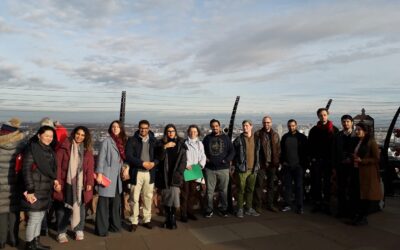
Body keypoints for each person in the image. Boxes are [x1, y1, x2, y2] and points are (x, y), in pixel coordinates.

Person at [21, 126, 61, 250]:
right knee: (34, 218)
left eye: (51, 136)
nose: (49, 138)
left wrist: (55, 180)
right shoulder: (32, 149)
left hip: (45, 189)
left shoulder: (49, 150)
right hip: (35, 189)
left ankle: (36, 243)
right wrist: (30, 190)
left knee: (39, 217)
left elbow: (50, 171)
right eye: (46, 135)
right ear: (39, 135)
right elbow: (26, 170)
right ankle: (29, 245)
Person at [54, 126, 94, 243]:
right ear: (74, 134)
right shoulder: (64, 147)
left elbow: (90, 168)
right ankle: (61, 232)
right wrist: (57, 181)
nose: (79, 137)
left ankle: (79, 229)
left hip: (81, 184)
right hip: (66, 183)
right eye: (78, 134)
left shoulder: (87, 150)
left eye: (82, 135)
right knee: (63, 208)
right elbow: (58, 167)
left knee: (80, 207)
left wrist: (90, 182)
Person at [125, 120, 159, 232]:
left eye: (145, 128)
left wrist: (154, 163)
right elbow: (129, 156)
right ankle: (134, 221)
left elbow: (160, 155)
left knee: (148, 197)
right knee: (134, 198)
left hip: (149, 173)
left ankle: (146, 219)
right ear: (138, 128)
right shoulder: (132, 140)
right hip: (137, 172)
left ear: (149, 128)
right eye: (141, 128)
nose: (143, 130)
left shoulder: (154, 141)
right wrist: (142, 163)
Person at [95, 120, 127, 236]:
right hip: (107, 177)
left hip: (117, 179)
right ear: (110, 129)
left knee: (115, 204)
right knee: (103, 205)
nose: (115, 128)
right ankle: (102, 230)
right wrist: (99, 174)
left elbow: (122, 160)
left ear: (121, 129)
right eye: (113, 126)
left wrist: (125, 168)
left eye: (117, 127)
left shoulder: (122, 142)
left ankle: (115, 225)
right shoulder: (107, 142)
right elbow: (101, 159)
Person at [0, 118, 26, 248]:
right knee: (14, 212)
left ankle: (1, 241)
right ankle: (14, 239)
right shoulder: (21, 145)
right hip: (15, 183)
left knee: (2, 213)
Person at [350, 123, 383, 226]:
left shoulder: (371, 142)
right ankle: (358, 216)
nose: (356, 131)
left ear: (365, 131)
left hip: (367, 173)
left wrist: (362, 160)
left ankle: (362, 218)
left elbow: (377, 158)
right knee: (358, 194)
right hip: (356, 171)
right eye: (356, 129)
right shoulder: (358, 141)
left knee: (364, 195)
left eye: (359, 129)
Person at [202, 119, 235, 218]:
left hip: (223, 169)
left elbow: (232, 151)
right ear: (211, 127)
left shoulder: (226, 138)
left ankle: (223, 209)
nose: (215, 128)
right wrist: (206, 159)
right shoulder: (207, 138)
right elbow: (202, 151)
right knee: (209, 191)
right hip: (210, 169)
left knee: (223, 191)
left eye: (216, 126)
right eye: (213, 126)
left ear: (219, 126)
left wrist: (226, 160)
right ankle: (209, 209)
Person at [308, 108, 338, 214]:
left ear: (328, 115)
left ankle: (326, 204)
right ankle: (317, 203)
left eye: (325, 115)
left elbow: (336, 147)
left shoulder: (334, 129)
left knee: (327, 184)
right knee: (316, 183)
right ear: (318, 116)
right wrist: (312, 159)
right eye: (321, 115)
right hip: (317, 161)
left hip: (329, 161)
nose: (323, 117)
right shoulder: (314, 130)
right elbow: (310, 146)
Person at [157, 124, 187, 229]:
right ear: (166, 132)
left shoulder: (181, 143)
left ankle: (172, 217)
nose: (171, 133)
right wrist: (165, 147)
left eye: (172, 131)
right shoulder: (161, 143)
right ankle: (168, 217)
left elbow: (183, 161)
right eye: (168, 131)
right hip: (164, 175)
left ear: (175, 132)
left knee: (174, 197)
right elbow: (159, 159)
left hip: (175, 175)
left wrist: (179, 173)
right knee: (166, 197)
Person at [233, 120, 260, 218]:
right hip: (242, 169)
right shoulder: (238, 139)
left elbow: (259, 153)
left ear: (251, 126)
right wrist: (236, 165)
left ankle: (248, 208)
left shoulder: (257, 139)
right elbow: (233, 153)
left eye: (247, 125)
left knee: (250, 190)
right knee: (241, 190)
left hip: (253, 169)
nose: (245, 127)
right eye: (243, 125)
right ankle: (240, 209)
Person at [280, 119, 308, 214]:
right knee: (287, 186)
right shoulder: (284, 137)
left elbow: (305, 153)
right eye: (289, 126)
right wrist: (283, 162)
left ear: (296, 126)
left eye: (293, 125)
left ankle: (299, 206)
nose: (291, 127)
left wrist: (303, 165)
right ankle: (287, 204)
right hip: (287, 166)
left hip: (298, 166)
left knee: (299, 186)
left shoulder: (302, 137)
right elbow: (282, 151)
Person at [254, 115, 281, 213]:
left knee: (271, 185)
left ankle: (270, 204)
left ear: (271, 123)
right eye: (265, 122)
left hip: (272, 163)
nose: (266, 124)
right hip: (261, 163)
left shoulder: (275, 135)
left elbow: (278, 149)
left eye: (268, 122)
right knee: (259, 185)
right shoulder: (257, 134)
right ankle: (258, 205)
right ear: (262, 123)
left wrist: (277, 161)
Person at [332, 115, 357, 218]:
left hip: (353, 166)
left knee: (353, 189)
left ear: (352, 122)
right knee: (341, 189)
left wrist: (350, 159)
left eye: (347, 121)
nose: (345, 124)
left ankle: (352, 211)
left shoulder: (357, 135)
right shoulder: (337, 136)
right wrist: (334, 166)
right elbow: (333, 152)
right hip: (340, 166)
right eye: (343, 122)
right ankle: (341, 210)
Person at [181, 125, 206, 222]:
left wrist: (201, 165)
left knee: (193, 193)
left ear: (198, 133)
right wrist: (186, 164)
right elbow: (181, 156)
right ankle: (183, 214)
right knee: (185, 193)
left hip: (196, 170)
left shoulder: (200, 144)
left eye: (195, 131)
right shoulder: (184, 143)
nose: (193, 133)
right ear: (188, 132)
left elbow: (203, 155)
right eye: (191, 131)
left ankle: (190, 212)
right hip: (187, 170)